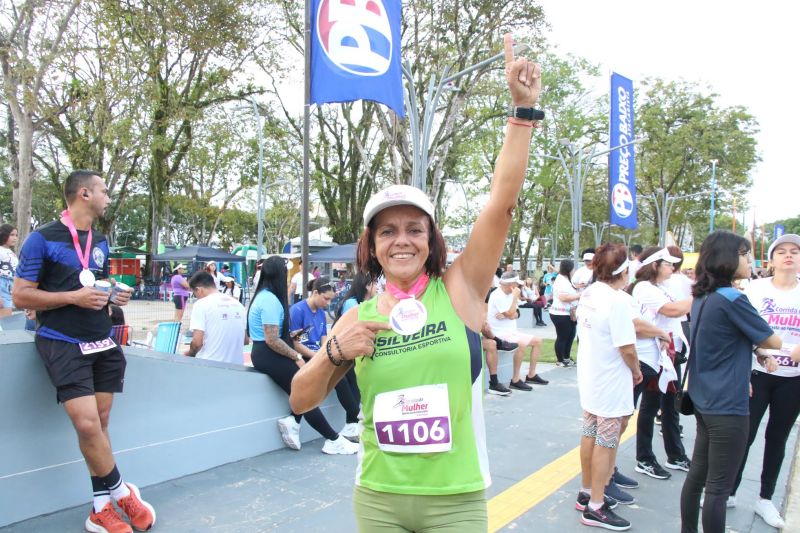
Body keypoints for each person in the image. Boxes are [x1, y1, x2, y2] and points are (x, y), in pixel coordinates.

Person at [290, 35, 541, 531]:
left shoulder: (460, 288)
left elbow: (501, 205)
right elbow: (300, 399)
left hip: (455, 499)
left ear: (431, 240)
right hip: (379, 498)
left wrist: (522, 113)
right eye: (388, 231)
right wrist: (336, 351)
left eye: (414, 229)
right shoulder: (357, 317)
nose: (401, 241)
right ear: (372, 246)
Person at [12, 169, 154, 533]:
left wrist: (114, 295)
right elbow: (21, 295)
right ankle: (122, 492)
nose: (109, 196)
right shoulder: (41, 239)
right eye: (104, 190)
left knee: (101, 426)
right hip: (62, 341)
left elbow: (96, 287)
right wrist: (73, 297)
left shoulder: (102, 240)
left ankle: (99, 508)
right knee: (88, 425)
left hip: (102, 340)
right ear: (84, 194)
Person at [679, 230, 782, 533]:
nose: (749, 260)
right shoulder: (735, 298)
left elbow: (724, 338)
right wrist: (763, 348)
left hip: (703, 398)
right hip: (728, 404)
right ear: (728, 258)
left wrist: (756, 351)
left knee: (697, 476)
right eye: (744, 253)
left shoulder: (702, 296)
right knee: (718, 489)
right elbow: (773, 339)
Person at [249, 256, 358, 455]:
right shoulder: (270, 300)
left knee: (303, 391)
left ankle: (293, 421)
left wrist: (290, 338)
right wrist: (296, 357)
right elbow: (272, 340)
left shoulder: (264, 297)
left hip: (266, 352)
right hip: (269, 354)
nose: (288, 276)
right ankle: (333, 438)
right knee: (305, 393)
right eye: (285, 272)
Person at [729, 234, 800, 528]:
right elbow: (740, 326)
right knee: (744, 435)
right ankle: (728, 491)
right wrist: (760, 352)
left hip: (792, 378)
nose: (788, 256)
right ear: (770, 260)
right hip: (758, 374)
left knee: (778, 438)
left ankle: (765, 499)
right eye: (781, 251)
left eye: (794, 251)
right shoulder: (755, 290)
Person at [575, 243, 641, 530]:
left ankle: (587, 491)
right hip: (611, 381)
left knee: (590, 434)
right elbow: (627, 347)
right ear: (624, 271)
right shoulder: (617, 301)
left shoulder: (589, 293)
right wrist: (637, 371)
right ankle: (596, 507)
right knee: (606, 441)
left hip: (590, 377)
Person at [628, 247, 693, 481]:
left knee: (669, 406)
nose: (672, 268)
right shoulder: (644, 288)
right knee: (647, 407)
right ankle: (644, 458)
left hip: (665, 355)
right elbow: (672, 311)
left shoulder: (661, 287)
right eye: (667, 264)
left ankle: (675, 454)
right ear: (654, 265)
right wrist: (704, 292)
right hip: (648, 357)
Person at [291, 277, 360, 440]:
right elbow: (295, 343)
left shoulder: (321, 314)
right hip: (305, 356)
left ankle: (353, 421)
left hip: (317, 355)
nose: (328, 303)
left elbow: (324, 340)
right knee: (339, 380)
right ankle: (356, 418)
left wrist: (326, 355)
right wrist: (319, 357)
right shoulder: (298, 310)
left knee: (349, 371)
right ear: (315, 293)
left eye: (331, 300)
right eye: (326, 298)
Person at [487, 271, 548, 390]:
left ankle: (531, 375)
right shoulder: (497, 295)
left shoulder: (510, 293)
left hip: (511, 331)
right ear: (510, 284)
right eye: (516, 283)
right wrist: (514, 302)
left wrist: (508, 314)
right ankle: (515, 380)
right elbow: (511, 313)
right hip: (499, 333)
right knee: (521, 344)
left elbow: (516, 313)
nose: (518, 287)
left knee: (538, 341)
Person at [186, 271, 247, 365]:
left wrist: (189, 354)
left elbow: (197, 342)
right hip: (237, 365)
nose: (196, 297)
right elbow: (245, 340)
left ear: (199, 290)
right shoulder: (238, 305)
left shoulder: (201, 304)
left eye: (194, 294)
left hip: (210, 364)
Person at [551, 259, 580, 366]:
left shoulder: (566, 279)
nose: (574, 270)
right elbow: (563, 297)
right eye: (573, 268)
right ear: (569, 269)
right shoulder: (561, 280)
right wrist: (579, 295)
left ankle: (566, 358)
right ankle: (560, 360)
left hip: (569, 313)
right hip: (560, 314)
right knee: (562, 337)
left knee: (570, 336)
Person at [0, 223, 19, 318]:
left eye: (16, 235)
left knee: (8, 319)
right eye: (12, 235)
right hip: (2, 285)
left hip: (11, 286)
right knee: (4, 321)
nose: (15, 238)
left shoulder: (10, 252)